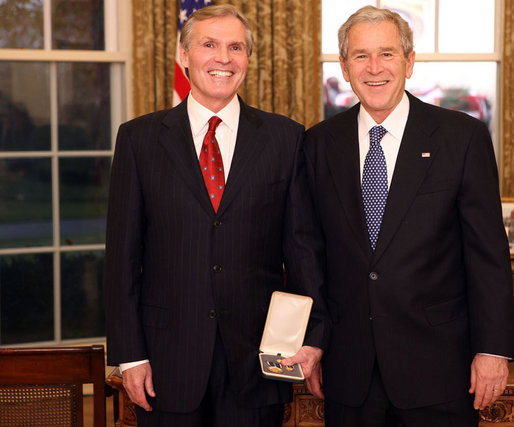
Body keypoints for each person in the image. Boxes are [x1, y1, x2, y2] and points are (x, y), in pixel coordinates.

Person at [104, 5, 329, 427]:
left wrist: (314, 338)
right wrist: (130, 355)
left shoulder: (286, 139)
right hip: (166, 364)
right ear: (184, 56)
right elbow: (121, 261)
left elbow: (303, 252)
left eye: (235, 47)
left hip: (258, 363)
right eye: (209, 45)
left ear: (247, 58)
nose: (223, 58)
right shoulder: (139, 140)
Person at [303, 5, 514, 426]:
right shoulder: (318, 144)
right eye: (361, 56)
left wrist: (492, 350)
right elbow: (310, 251)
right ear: (344, 67)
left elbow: (488, 256)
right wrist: (313, 342)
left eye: (388, 53)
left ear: (410, 61)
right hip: (349, 370)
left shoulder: (461, 137)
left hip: (440, 369)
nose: (374, 68)